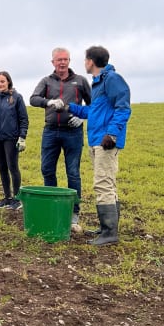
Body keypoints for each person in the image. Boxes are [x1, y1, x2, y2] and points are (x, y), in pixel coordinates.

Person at [61, 46, 131, 246]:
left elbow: (123, 107)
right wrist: (69, 107)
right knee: (108, 182)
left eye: (85, 59)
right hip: (96, 140)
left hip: (106, 141)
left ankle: (110, 232)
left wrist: (112, 134)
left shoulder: (112, 79)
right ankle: (107, 227)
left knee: (102, 183)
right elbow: (94, 111)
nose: (84, 63)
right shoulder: (99, 83)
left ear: (91, 61)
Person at [30, 48, 91, 230]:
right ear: (53, 62)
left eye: (65, 59)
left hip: (73, 132)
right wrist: (48, 102)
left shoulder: (80, 81)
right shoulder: (46, 81)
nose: (62, 63)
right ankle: (53, 205)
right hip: (51, 131)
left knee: (73, 172)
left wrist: (82, 117)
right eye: (58, 60)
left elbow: (94, 105)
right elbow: (33, 98)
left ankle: (74, 214)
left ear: (70, 61)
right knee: (47, 169)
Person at [0, 71, 29, 210]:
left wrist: (22, 137)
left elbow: (23, 119)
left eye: (2, 81)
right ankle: (7, 197)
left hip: (11, 138)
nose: (0, 84)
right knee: (2, 168)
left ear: (8, 81)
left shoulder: (17, 97)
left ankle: (17, 198)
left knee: (12, 167)